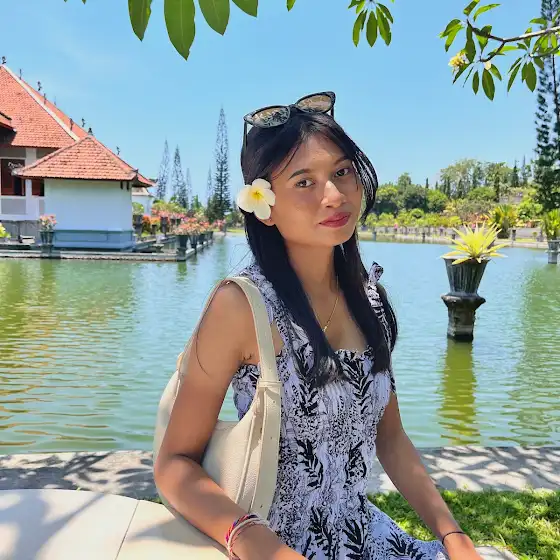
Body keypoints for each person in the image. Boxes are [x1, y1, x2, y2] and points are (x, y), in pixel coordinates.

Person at [154, 92, 482, 560]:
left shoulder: (369, 301)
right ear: (265, 205)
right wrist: (253, 541)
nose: (334, 196)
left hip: (363, 536)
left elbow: (390, 438)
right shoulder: (241, 306)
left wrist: (454, 537)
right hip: (270, 542)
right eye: (304, 181)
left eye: (342, 172)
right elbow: (174, 463)